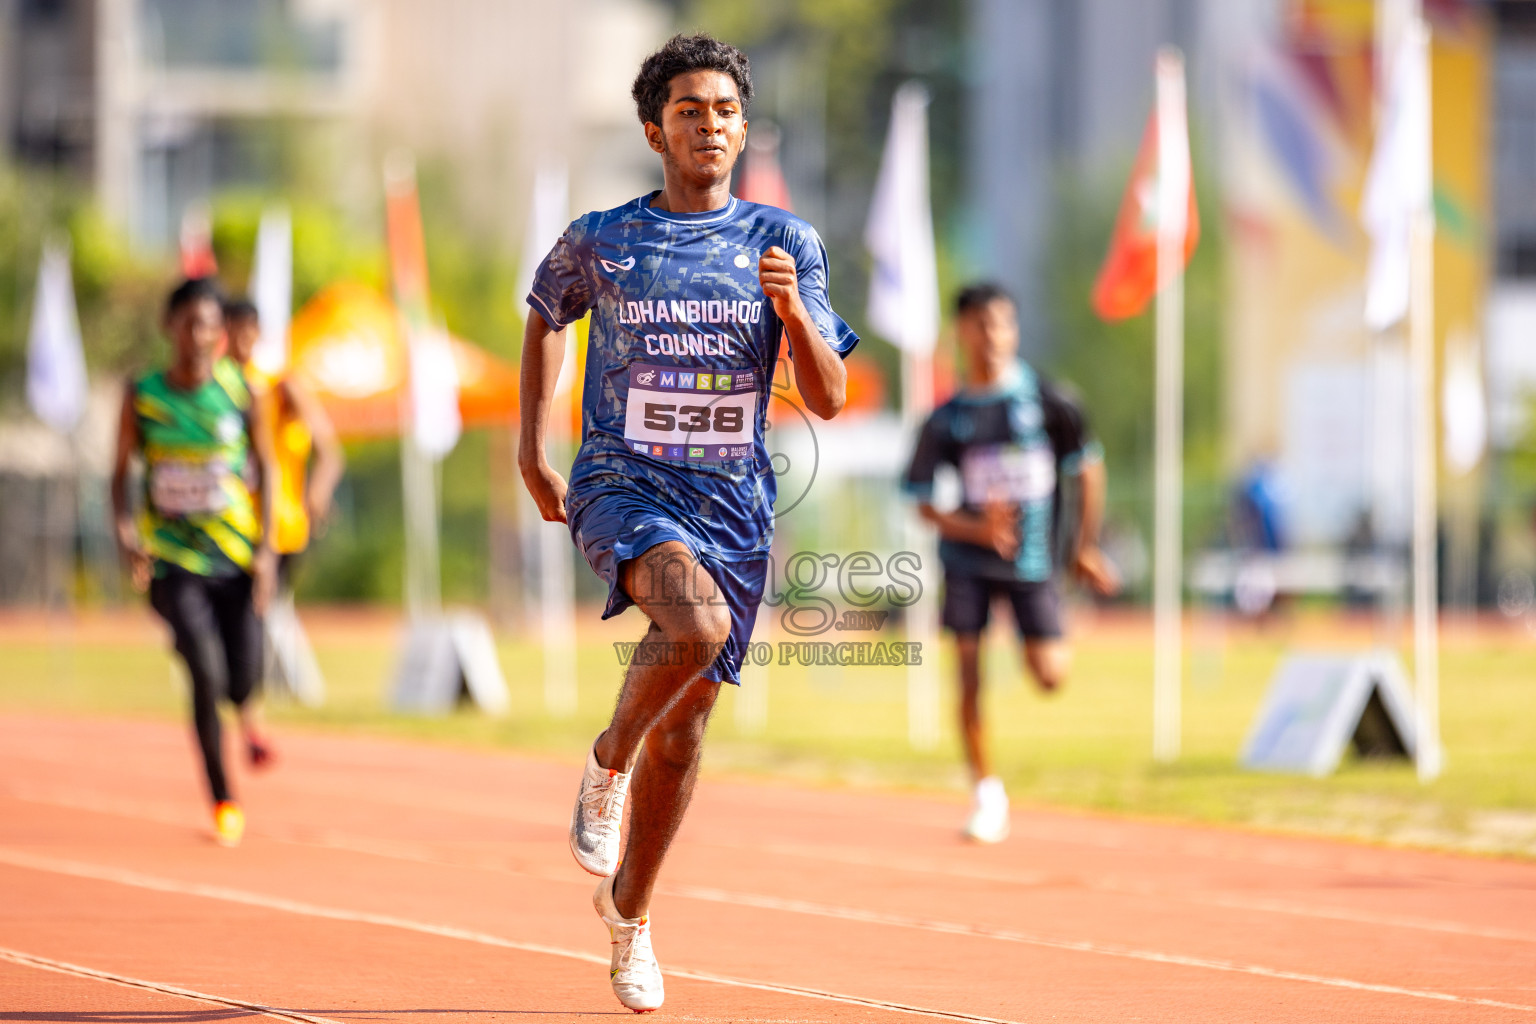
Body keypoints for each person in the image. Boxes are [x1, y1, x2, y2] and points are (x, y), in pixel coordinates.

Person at [519, 33, 856, 1013]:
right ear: (654, 128)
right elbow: (546, 314)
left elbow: (828, 398)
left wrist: (793, 320)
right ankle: (603, 763)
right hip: (623, 482)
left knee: (692, 724)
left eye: (723, 110)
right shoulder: (602, 238)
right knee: (694, 627)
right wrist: (531, 449)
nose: (708, 124)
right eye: (688, 110)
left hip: (734, 506)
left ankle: (630, 916)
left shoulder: (786, 244)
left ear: (742, 126)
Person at [904, 283, 1119, 844]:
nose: (992, 336)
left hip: (1034, 562)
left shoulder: (1051, 402)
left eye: (1002, 324)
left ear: (1015, 330)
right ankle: (986, 793)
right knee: (969, 678)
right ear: (961, 333)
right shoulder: (947, 418)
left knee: (1051, 676)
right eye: (980, 325)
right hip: (968, 562)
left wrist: (1083, 548)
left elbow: (1088, 471)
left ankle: (1030, 637)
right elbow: (922, 500)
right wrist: (974, 527)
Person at [111, 277, 279, 848]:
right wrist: (127, 534)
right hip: (173, 560)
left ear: (220, 332)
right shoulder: (144, 396)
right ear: (171, 327)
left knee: (242, 679)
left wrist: (268, 551)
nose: (200, 335)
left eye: (210, 325)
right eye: (189, 324)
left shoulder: (241, 392)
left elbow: (269, 469)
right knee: (205, 675)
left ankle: (238, 704)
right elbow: (120, 477)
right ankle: (223, 797)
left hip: (235, 556)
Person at [222, 298, 345, 686]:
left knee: (255, 608)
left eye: (248, 329)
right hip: (227, 520)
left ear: (257, 333)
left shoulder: (280, 386)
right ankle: (245, 684)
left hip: (280, 522)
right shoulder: (215, 387)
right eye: (234, 328)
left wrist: (318, 493)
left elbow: (330, 451)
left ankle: (248, 688)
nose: (242, 338)